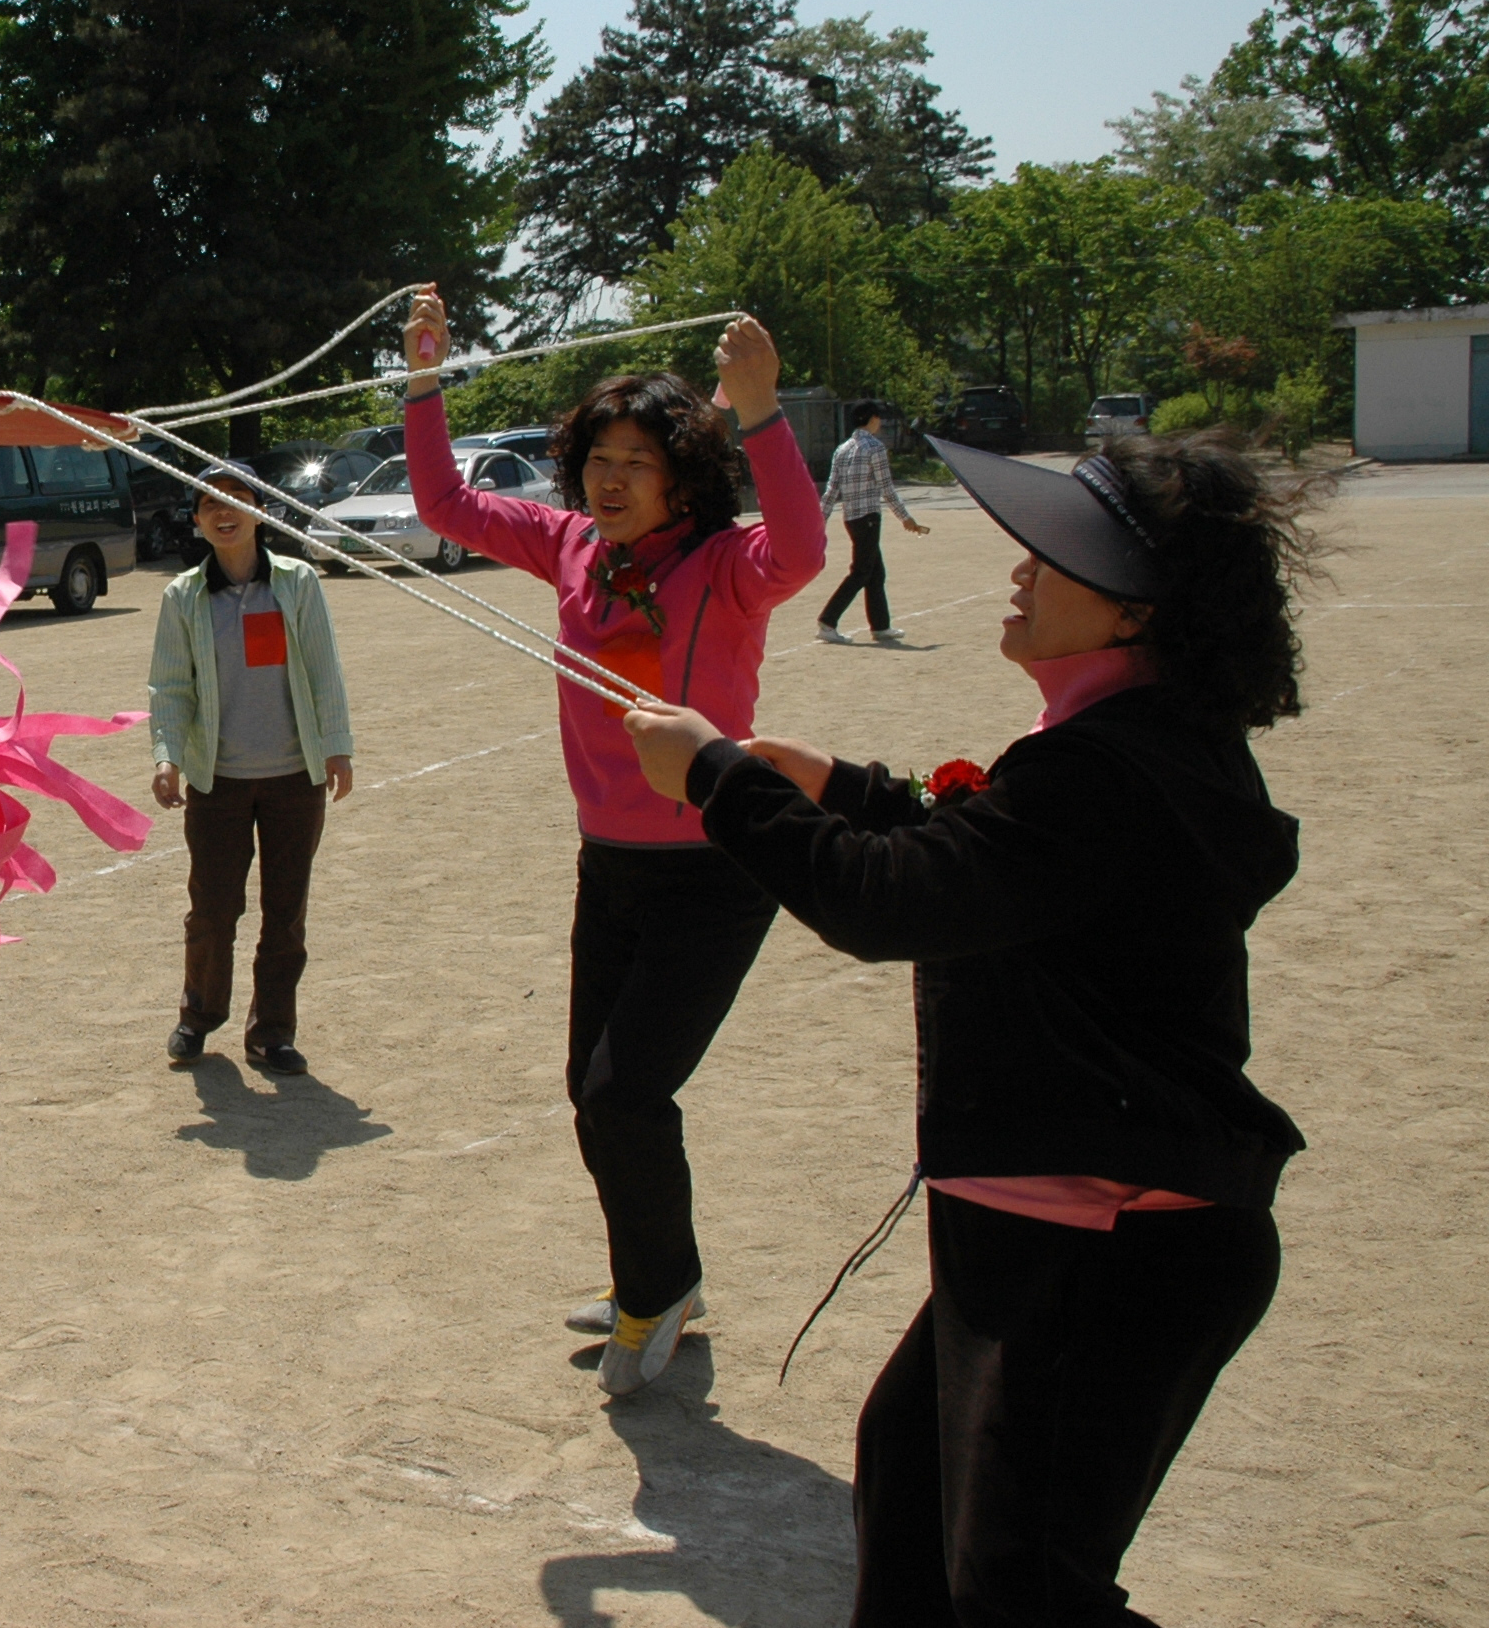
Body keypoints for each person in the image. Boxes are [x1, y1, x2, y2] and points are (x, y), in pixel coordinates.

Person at [622, 430, 1312, 1624]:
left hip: (1113, 1243)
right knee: (906, 1490)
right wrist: (847, 786)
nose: (1019, 567)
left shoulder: (1110, 771)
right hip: (1045, 1230)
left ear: (1136, 609)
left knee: (1017, 1591)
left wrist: (720, 784)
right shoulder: (1130, 747)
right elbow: (998, 850)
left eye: (1057, 555)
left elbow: (891, 901)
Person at [399, 292, 826, 1394]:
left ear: (683, 477)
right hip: (611, 865)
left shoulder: (724, 564)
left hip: (717, 868)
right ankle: (659, 1271)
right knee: (593, 1089)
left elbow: (800, 550)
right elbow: (444, 501)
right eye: (598, 456)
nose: (611, 477)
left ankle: (656, 1290)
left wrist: (763, 410)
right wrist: (425, 379)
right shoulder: (571, 548)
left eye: (639, 459)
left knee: (624, 1093)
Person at [145, 466, 355, 1075]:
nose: (225, 511)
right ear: (196, 520)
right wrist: (167, 757)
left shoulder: (297, 582)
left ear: (261, 511)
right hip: (219, 780)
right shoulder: (183, 596)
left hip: (295, 777)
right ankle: (198, 1017)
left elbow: (324, 668)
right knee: (212, 910)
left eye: (238, 498)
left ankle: (272, 1033)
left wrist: (337, 747)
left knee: (285, 914)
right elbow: (170, 685)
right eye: (211, 502)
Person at [816, 399, 929, 645]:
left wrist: (819, 522)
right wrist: (905, 517)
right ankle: (828, 620)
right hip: (868, 517)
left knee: (875, 572)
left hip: (851, 518)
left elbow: (831, 491)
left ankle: (880, 626)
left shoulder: (842, 450)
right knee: (861, 572)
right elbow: (887, 488)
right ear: (873, 419)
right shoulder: (875, 448)